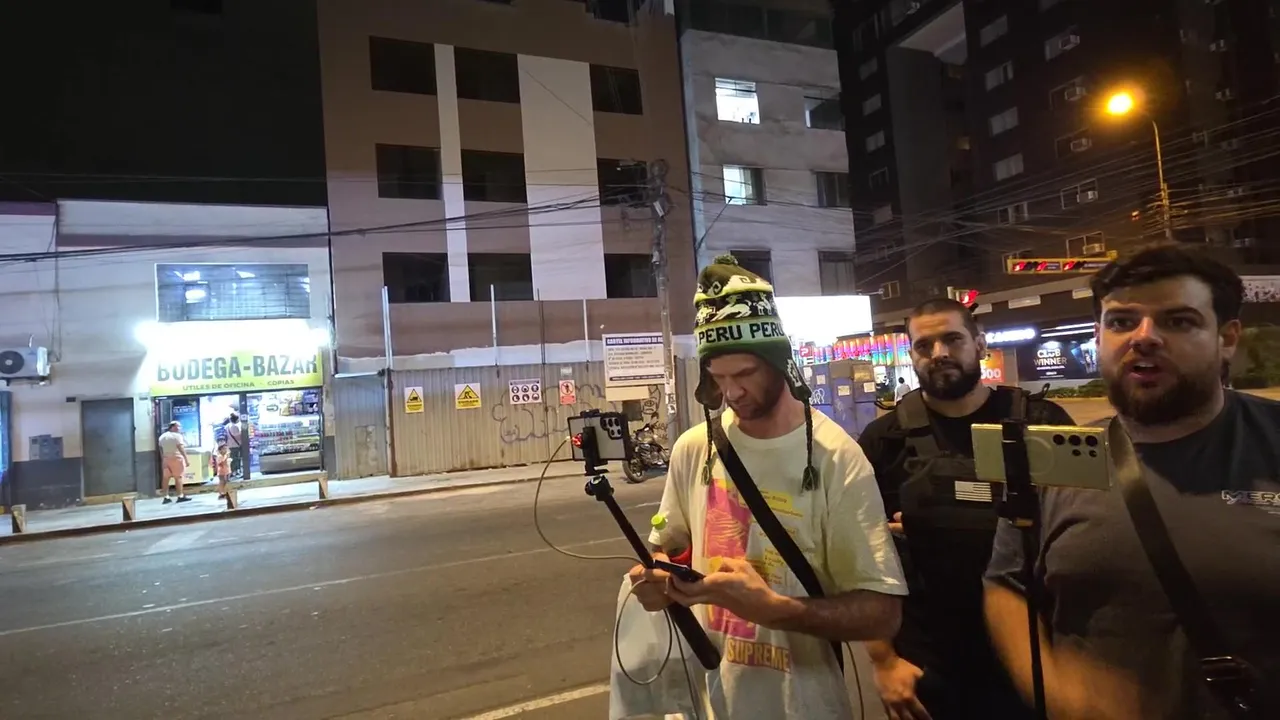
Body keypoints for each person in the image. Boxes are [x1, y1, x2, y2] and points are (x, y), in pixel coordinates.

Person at [985, 244, 1280, 719]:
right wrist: (1054, 686)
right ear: (1099, 336)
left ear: (1227, 338)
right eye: (1122, 321)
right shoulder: (1052, 460)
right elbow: (1006, 586)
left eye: (1178, 321)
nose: (1145, 338)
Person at [631, 254, 907, 719]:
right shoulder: (694, 447)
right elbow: (668, 548)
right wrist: (657, 581)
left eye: (744, 374)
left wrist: (775, 609)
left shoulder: (834, 456)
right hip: (710, 701)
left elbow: (882, 612)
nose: (731, 393)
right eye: (718, 377)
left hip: (805, 706)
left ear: (780, 361)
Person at [857, 298, 1075, 720]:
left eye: (952, 339)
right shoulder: (885, 439)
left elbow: (1087, 538)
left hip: (1037, 659)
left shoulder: (1042, 424)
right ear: (911, 355)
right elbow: (863, 557)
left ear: (980, 344)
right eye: (924, 345)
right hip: (928, 667)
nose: (938, 353)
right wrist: (884, 659)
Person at [157, 421, 191, 504]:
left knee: (166, 478)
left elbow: (160, 449)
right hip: (176, 458)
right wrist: (186, 459)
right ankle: (180, 496)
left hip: (166, 459)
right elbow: (180, 448)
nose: (180, 428)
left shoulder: (162, 436)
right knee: (178, 477)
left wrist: (163, 459)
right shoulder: (177, 436)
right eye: (178, 426)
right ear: (173, 427)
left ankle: (166, 497)